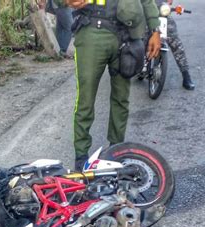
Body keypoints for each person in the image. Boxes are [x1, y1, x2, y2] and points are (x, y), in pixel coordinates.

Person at [64, 0, 162, 170]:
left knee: (121, 99)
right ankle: (81, 155)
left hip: (126, 36)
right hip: (92, 33)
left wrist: (155, 31)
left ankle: (116, 150)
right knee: (85, 100)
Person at [158, 0, 194, 91]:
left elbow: (169, 1)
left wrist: (170, 5)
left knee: (176, 44)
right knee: (138, 38)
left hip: (162, 11)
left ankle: (186, 76)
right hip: (146, 9)